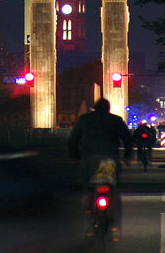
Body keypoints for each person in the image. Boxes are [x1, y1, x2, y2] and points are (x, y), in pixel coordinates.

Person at [68, 98, 133, 241]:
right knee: (113, 189)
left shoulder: (84, 120)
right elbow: (127, 139)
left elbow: (73, 140)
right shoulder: (116, 120)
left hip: (90, 160)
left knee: (89, 188)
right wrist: (127, 156)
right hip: (110, 160)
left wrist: (75, 157)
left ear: (94, 108)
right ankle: (115, 223)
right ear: (108, 108)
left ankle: (90, 219)